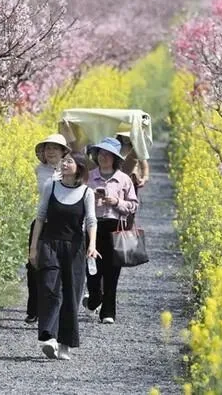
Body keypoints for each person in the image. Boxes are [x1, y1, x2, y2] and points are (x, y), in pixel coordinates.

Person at [29, 152, 99, 360]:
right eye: (64, 160)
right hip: (50, 243)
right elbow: (40, 217)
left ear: (80, 168)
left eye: (70, 161)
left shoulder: (87, 192)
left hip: (75, 248)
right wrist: (33, 248)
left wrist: (92, 245)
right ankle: (49, 336)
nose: (65, 164)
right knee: (50, 288)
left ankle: (65, 344)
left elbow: (91, 220)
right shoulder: (51, 186)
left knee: (71, 294)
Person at [84, 137, 138, 324]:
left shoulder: (124, 179)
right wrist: (91, 200)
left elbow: (133, 205)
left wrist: (116, 202)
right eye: (100, 153)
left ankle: (108, 312)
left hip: (115, 227)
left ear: (115, 158)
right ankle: (94, 297)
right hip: (93, 226)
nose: (103, 157)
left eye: (108, 154)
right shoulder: (88, 177)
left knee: (112, 272)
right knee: (92, 269)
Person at [25, 134, 71, 324]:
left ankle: (56, 309)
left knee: (60, 267)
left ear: (63, 152)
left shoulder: (70, 170)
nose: (51, 151)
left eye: (55, 148)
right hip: (42, 221)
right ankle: (33, 309)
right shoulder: (39, 170)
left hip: (63, 224)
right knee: (33, 264)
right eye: (48, 148)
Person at [116, 131, 149, 228]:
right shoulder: (114, 146)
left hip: (131, 182)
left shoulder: (136, 148)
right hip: (116, 183)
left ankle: (128, 229)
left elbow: (144, 166)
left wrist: (145, 178)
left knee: (130, 209)